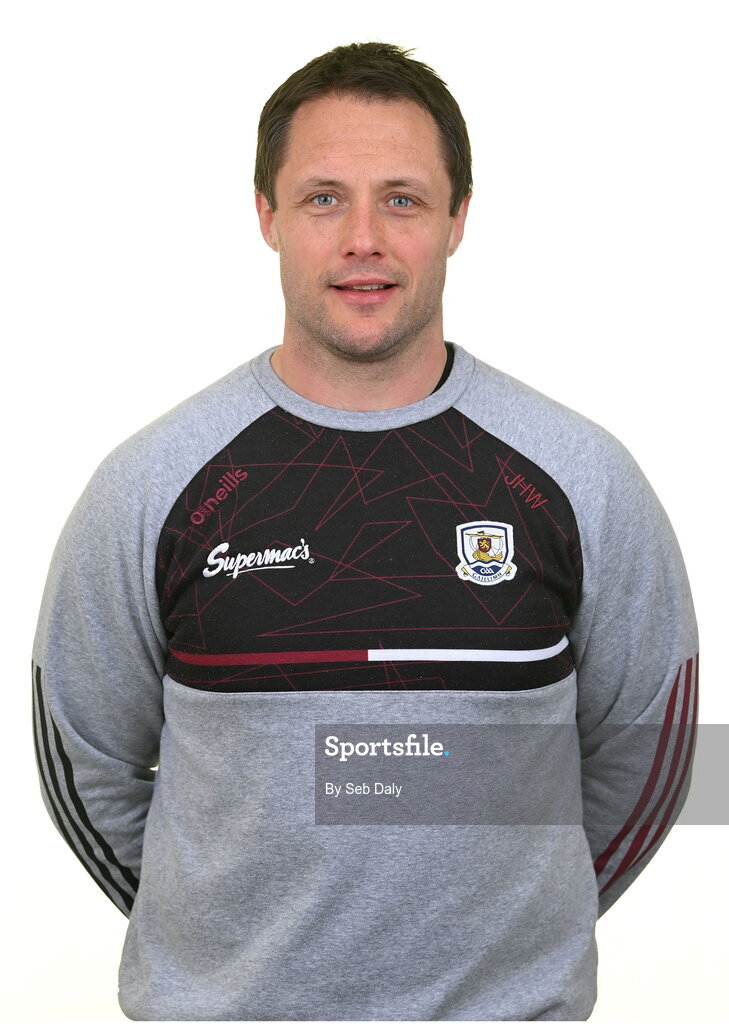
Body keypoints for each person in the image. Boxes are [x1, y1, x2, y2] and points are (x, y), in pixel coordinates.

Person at [32, 41, 698, 1022]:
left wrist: (525, 934)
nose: (362, 239)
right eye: (322, 198)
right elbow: (81, 756)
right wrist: (213, 948)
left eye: (402, 199)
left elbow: (657, 752)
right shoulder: (152, 485)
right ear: (266, 215)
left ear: (457, 218)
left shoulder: (582, 478)